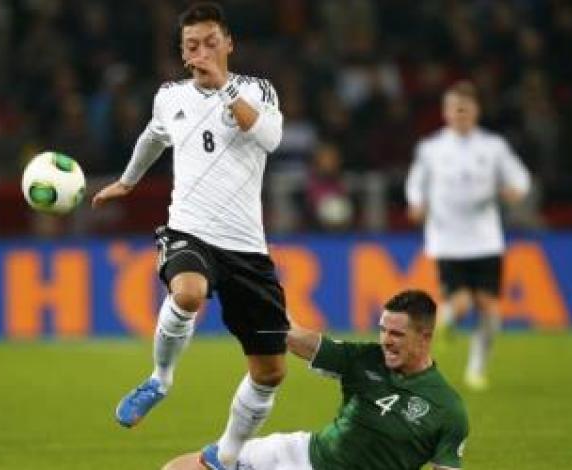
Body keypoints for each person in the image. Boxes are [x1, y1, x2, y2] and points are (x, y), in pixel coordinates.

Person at [91, 3, 286, 469]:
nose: (201, 52)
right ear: (182, 53)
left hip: (247, 246)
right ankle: (160, 379)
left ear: (229, 44)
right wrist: (128, 182)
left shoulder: (257, 90)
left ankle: (225, 455)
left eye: (210, 43)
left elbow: (271, 139)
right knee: (188, 293)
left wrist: (224, 88)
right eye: (192, 46)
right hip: (189, 230)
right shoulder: (169, 96)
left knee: (270, 373)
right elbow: (152, 138)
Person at [163, 289, 469, 470]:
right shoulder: (365, 358)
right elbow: (293, 336)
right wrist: (260, 288)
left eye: (397, 334)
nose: (386, 341)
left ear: (425, 337)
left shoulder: (448, 410)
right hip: (302, 455)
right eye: (383, 330)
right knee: (189, 467)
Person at [405, 80, 531, 391]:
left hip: (486, 240)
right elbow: (415, 182)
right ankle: (446, 322)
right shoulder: (431, 148)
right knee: (461, 305)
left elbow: (519, 175)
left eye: (466, 108)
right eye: (455, 108)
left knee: (489, 307)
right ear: (446, 112)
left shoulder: (493, 146)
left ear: (476, 111)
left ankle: (477, 369)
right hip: (447, 240)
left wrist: (517, 189)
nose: (460, 113)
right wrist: (416, 203)